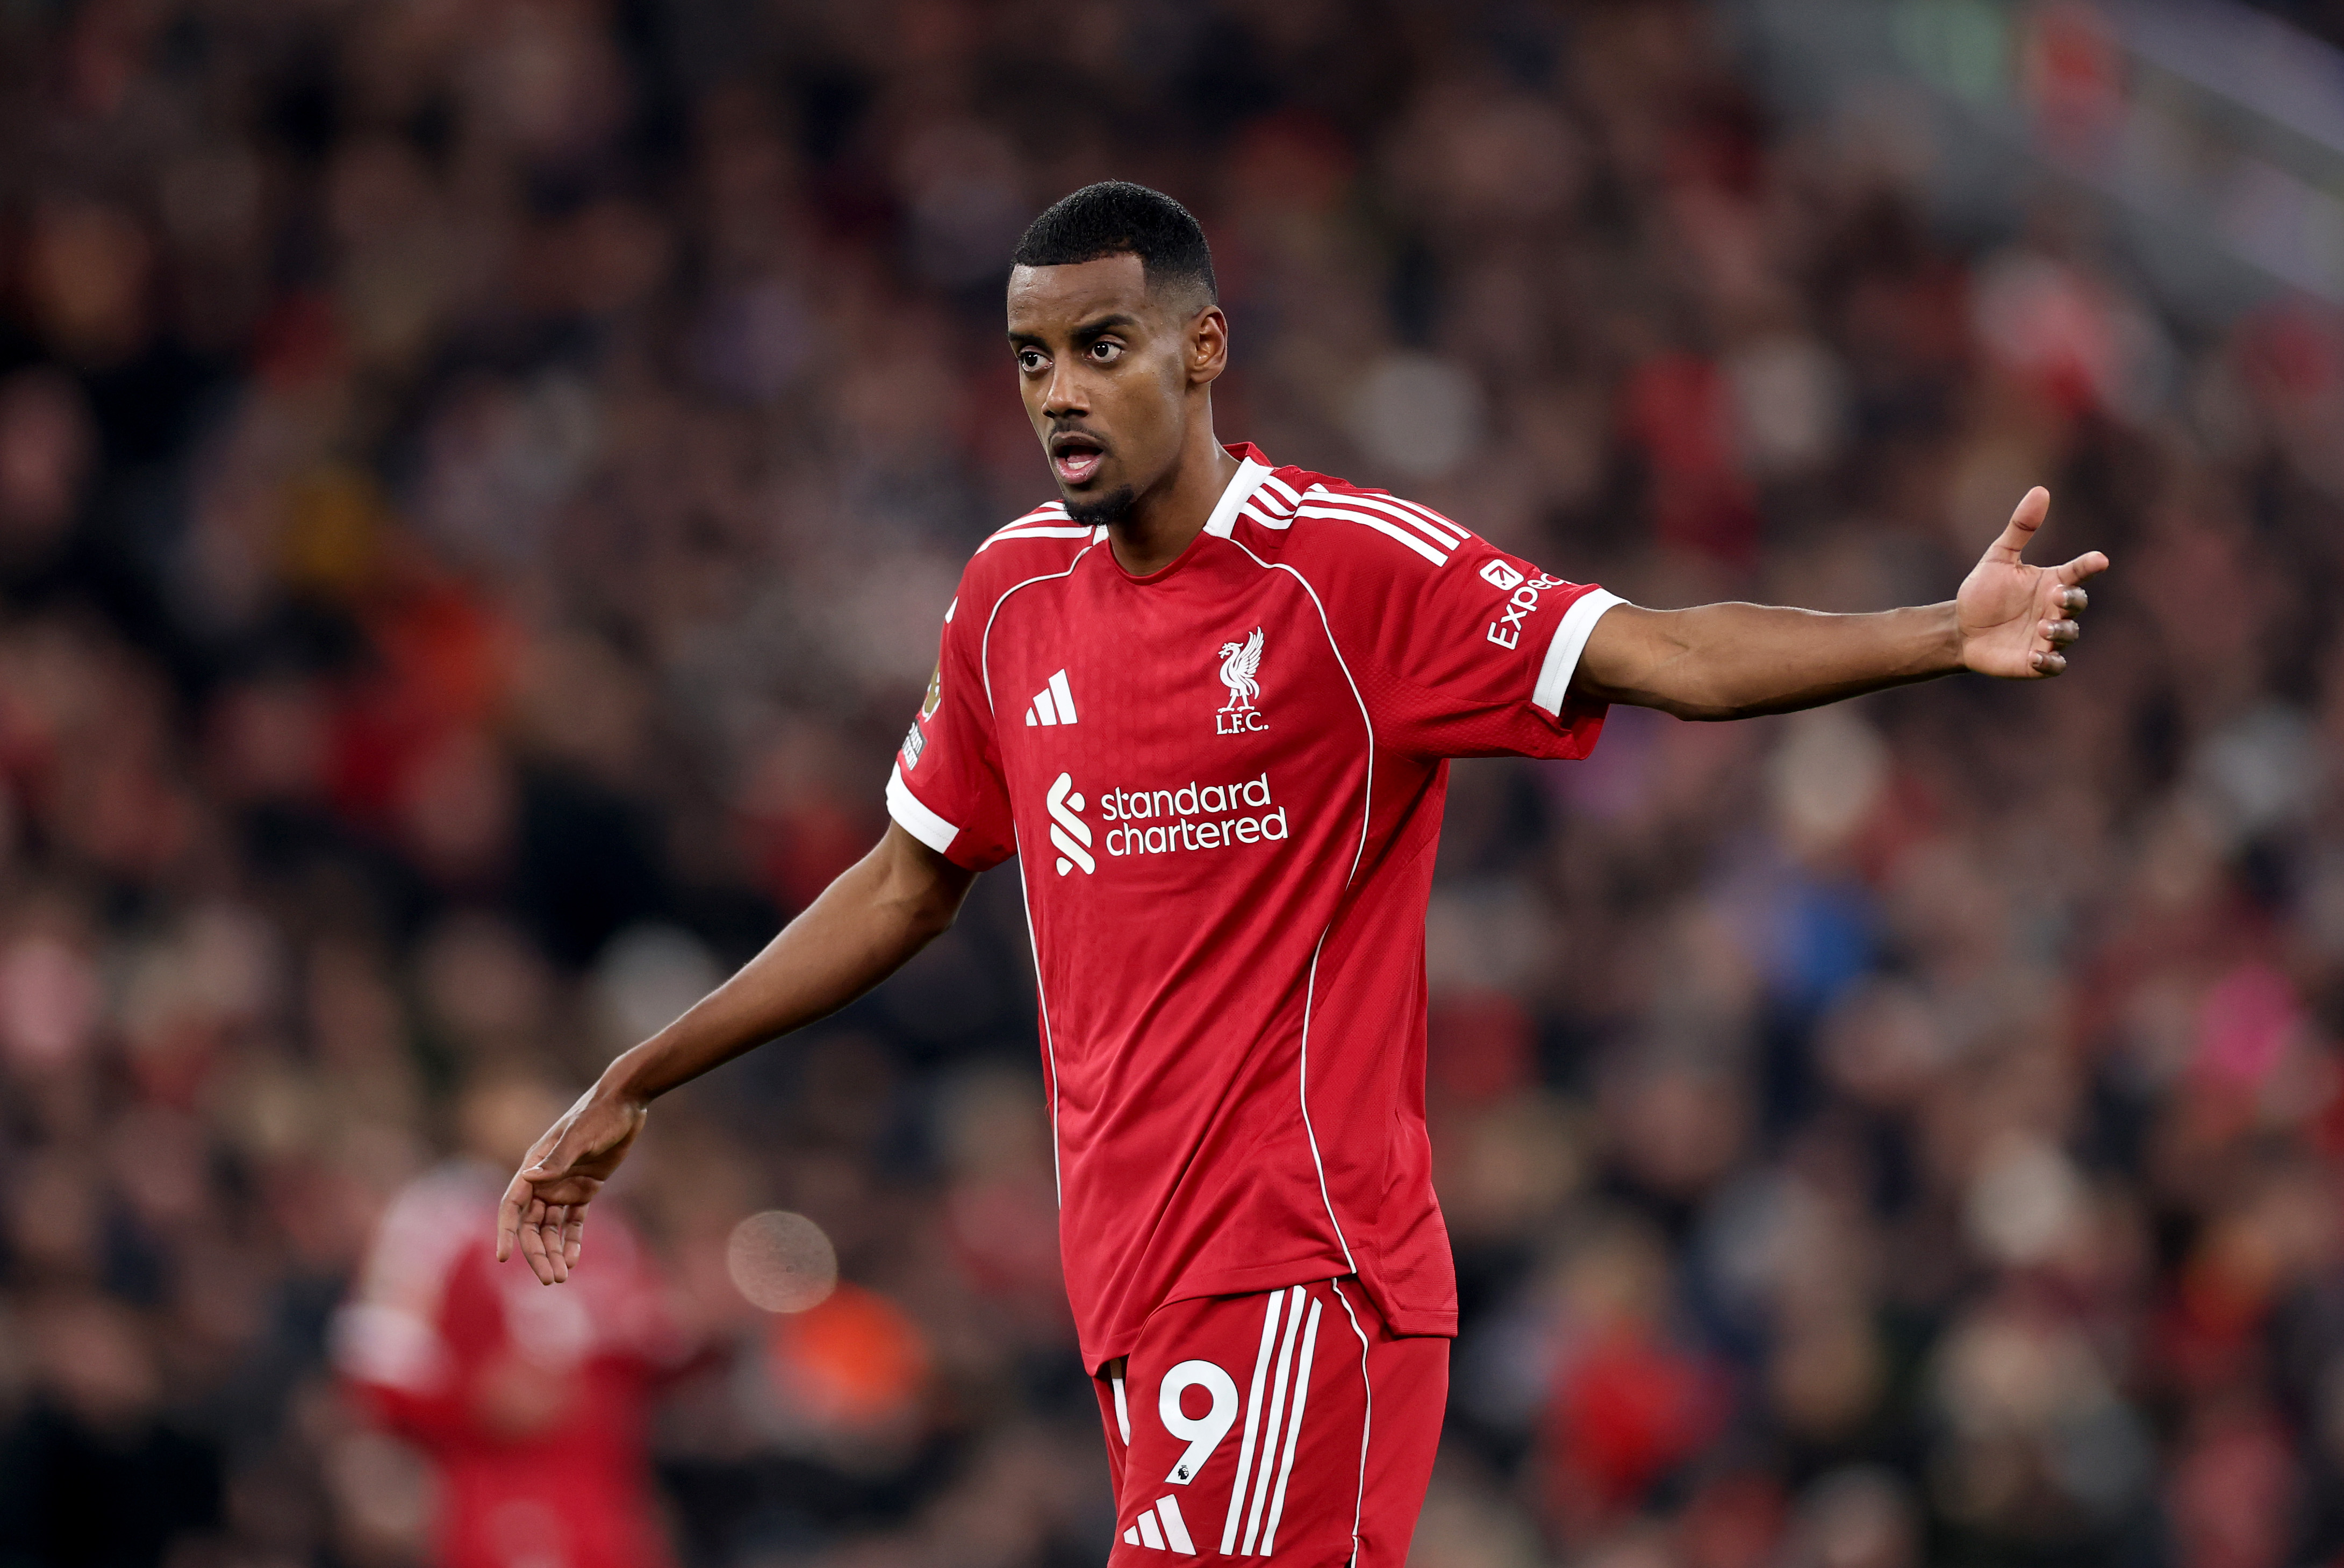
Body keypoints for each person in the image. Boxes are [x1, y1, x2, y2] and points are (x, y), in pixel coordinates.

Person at [496, 182, 2106, 1566]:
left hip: (1295, 1263)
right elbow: (904, 881)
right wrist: (640, 1075)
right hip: (1133, 1281)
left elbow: (1662, 653)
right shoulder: (1007, 599)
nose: (1060, 392)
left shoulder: (1344, 570)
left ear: (1201, 346)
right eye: (1032, 358)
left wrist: (1936, 633)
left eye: (1102, 346)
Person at [339, 1067, 696, 1568]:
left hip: (608, 1507)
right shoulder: (431, 1223)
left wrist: (699, 1323)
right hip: (492, 1503)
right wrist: (472, 1402)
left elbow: (654, 1343)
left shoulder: (604, 1227)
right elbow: (377, 1368)